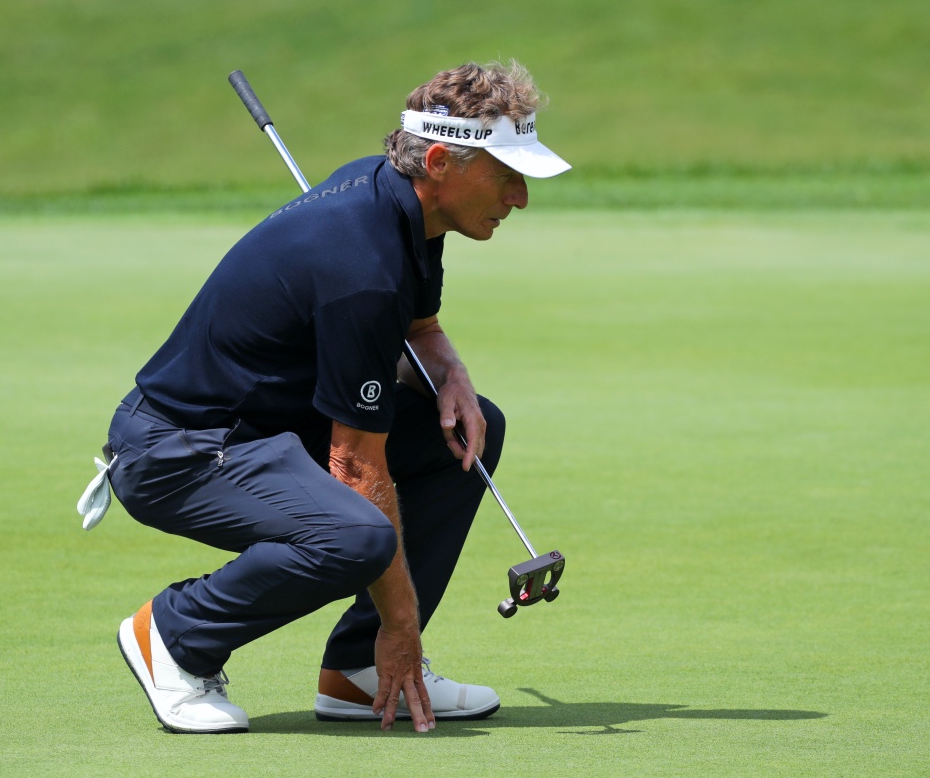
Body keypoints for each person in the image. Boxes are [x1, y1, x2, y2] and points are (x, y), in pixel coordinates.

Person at [89, 60, 570, 735]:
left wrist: (451, 373)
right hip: (180, 452)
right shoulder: (364, 266)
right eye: (506, 175)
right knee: (357, 534)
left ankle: (356, 673)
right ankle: (174, 635)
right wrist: (402, 626)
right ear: (439, 162)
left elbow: (419, 326)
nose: (519, 197)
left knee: (466, 428)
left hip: (273, 434)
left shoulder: (406, 208)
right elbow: (355, 466)